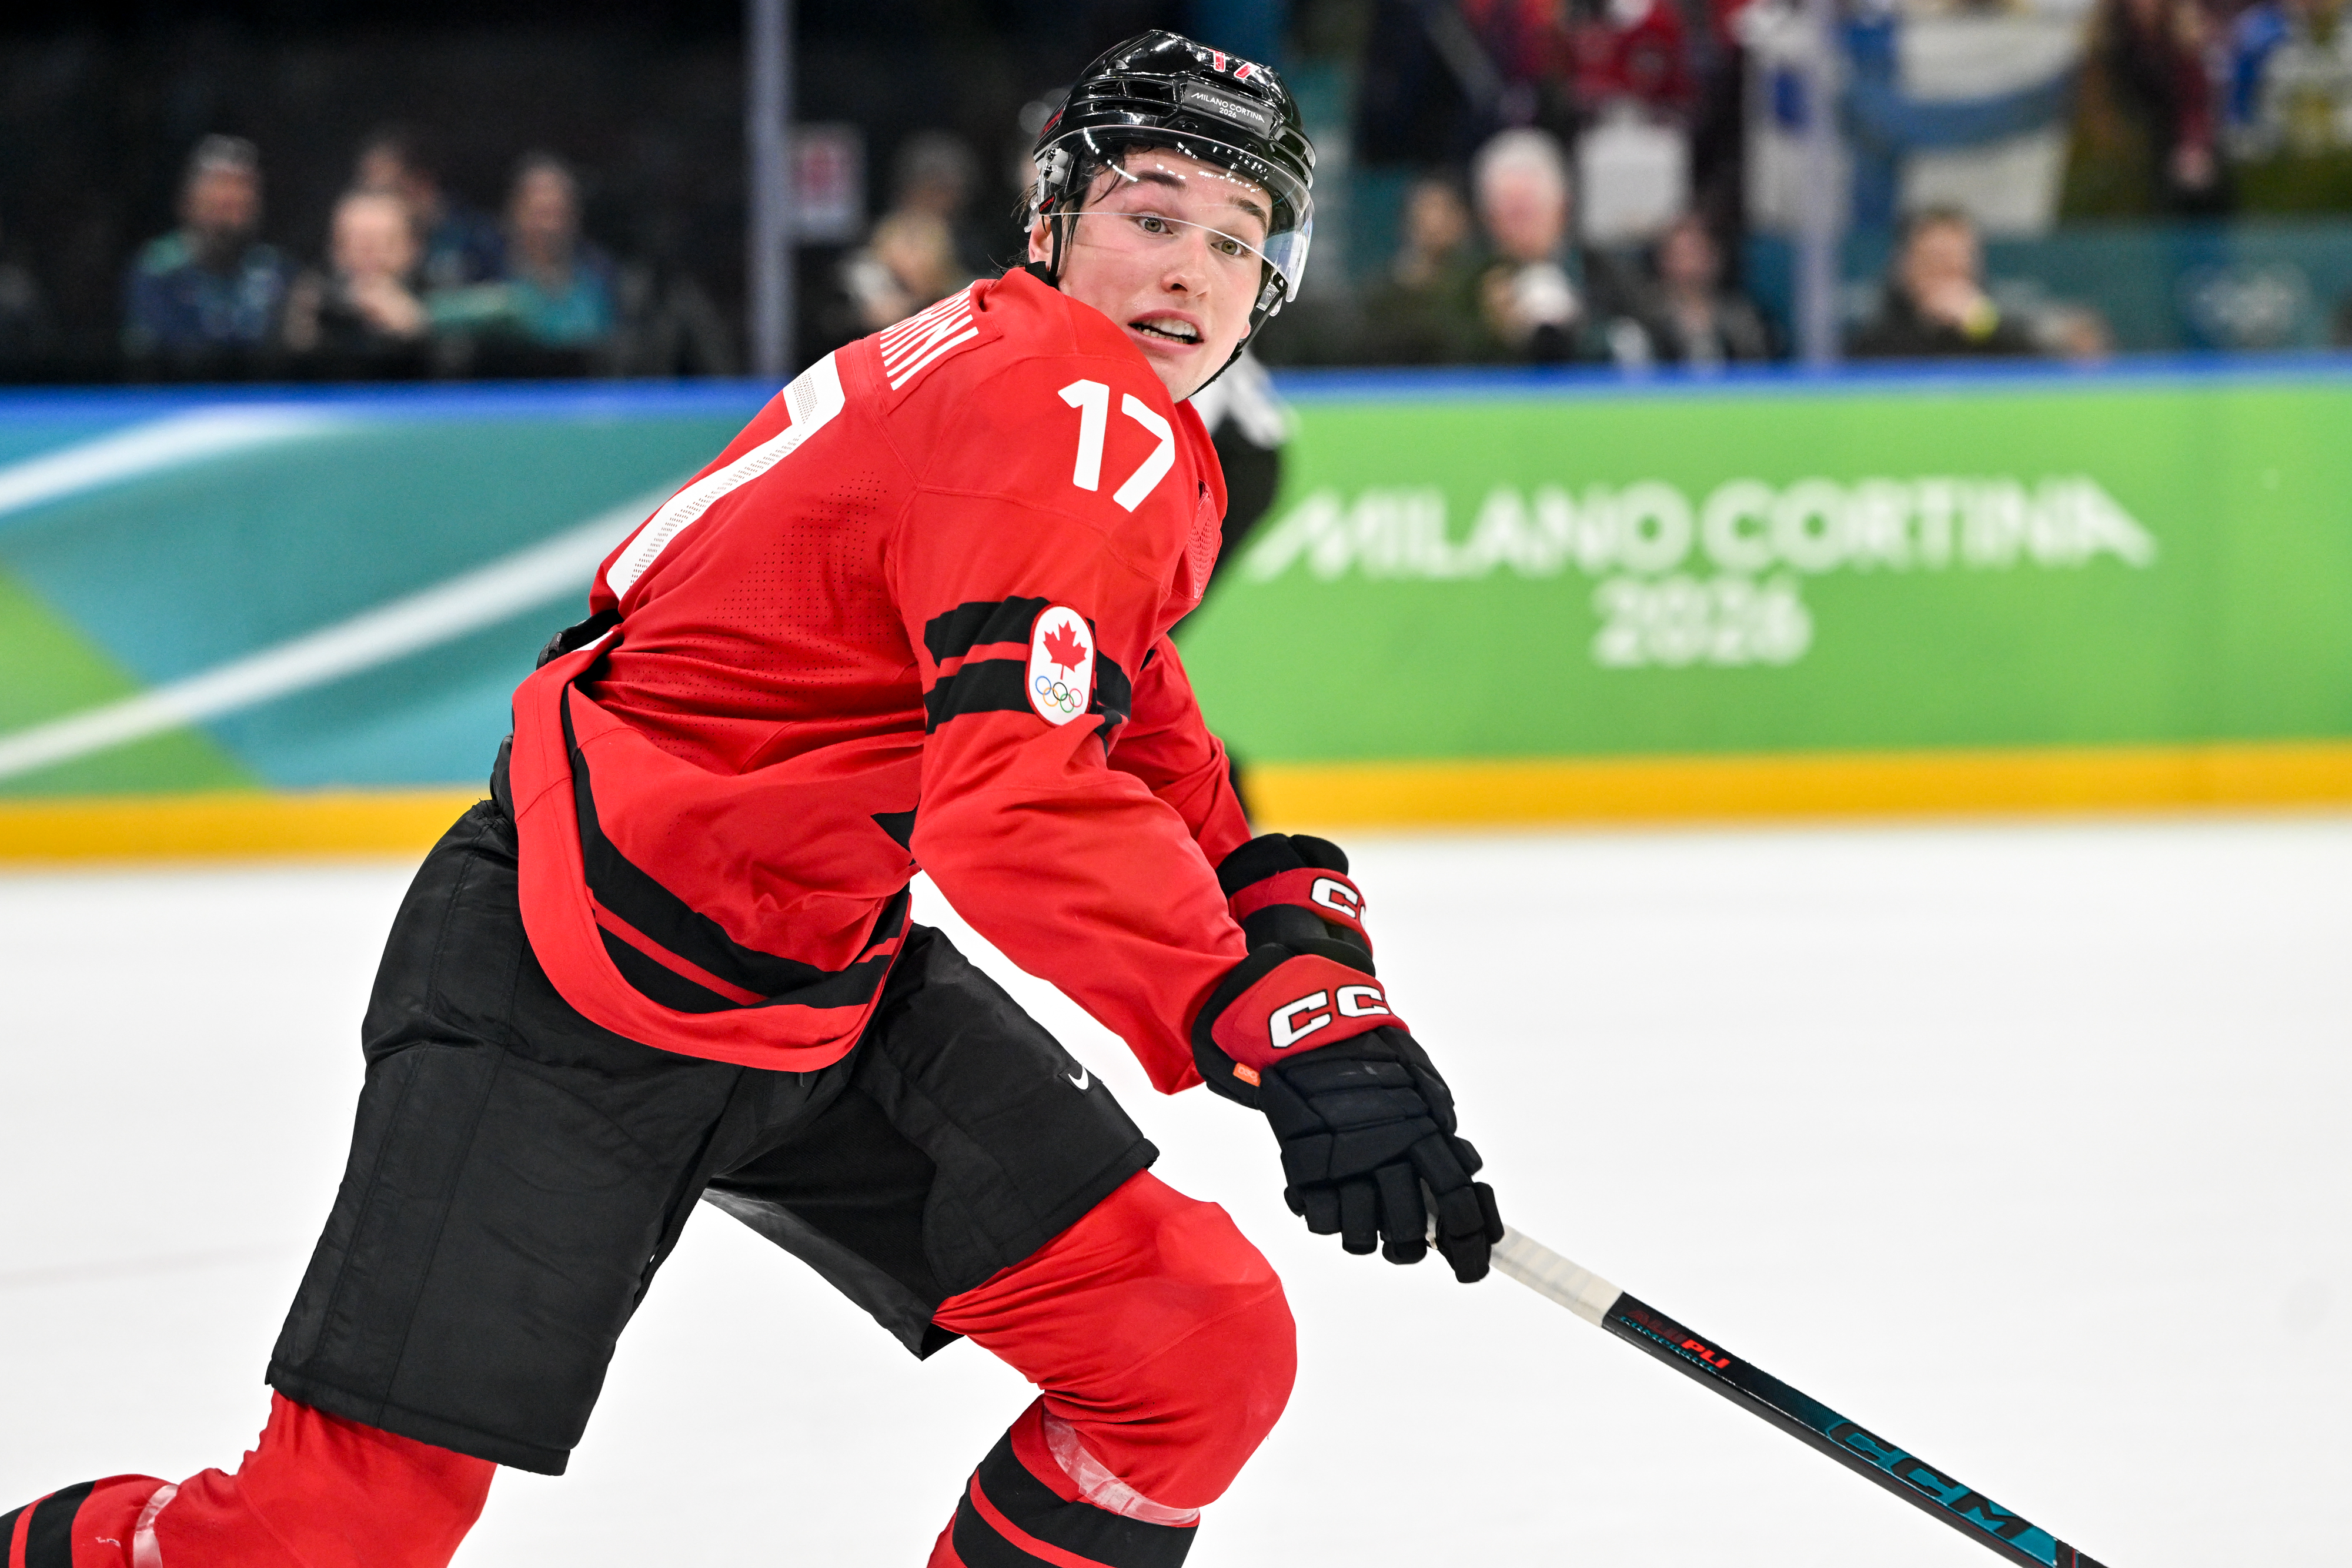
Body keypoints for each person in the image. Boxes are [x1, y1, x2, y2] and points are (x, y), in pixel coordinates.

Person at [1, 31, 1502, 1568]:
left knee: (1193, 1347)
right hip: (572, 967)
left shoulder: (1094, 415)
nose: (1191, 268)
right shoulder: (1066, 410)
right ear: (1053, 225)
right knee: (327, 1536)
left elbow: (1137, 736)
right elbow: (1015, 803)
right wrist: (1256, 1016)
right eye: (1154, 212)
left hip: (810, 976)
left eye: (1236, 241)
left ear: (1276, 286)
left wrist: (1298, 954)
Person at [121, 135, 294, 371]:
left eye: (241, 188)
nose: (230, 197)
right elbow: (147, 355)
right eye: (219, 186)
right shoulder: (160, 269)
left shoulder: (274, 269)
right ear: (190, 200)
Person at [432, 153, 618, 365]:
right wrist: (492, 306)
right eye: (539, 213)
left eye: (557, 213)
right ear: (515, 212)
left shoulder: (598, 269)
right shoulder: (483, 264)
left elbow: (604, 332)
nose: (549, 227)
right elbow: (434, 314)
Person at [1470, 126, 1598, 361]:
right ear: (1488, 219)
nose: (1521, 228)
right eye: (1510, 214)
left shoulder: (1599, 272)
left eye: (1530, 211)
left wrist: (1580, 330)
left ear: (1562, 210)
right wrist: (1492, 334)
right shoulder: (1468, 279)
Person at [1847, 206, 2042, 359]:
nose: (1946, 278)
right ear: (1906, 268)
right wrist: (1929, 324)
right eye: (1934, 262)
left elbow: (2043, 375)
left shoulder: (2004, 337)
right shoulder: (1874, 343)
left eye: (1957, 264)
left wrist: (1983, 325)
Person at [281, 188, 433, 376]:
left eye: (384, 243)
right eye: (356, 243)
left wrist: (416, 331)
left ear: (411, 248)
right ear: (335, 249)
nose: (370, 257)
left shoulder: (437, 295)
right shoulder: (312, 298)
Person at [354, 123, 505, 289]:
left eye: (388, 189)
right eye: (368, 189)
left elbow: (506, 297)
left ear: (421, 181)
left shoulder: (475, 235)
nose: (374, 202)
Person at [1361, 173, 1488, 363]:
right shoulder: (1382, 294)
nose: (1433, 223)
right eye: (1424, 211)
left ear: (1462, 219)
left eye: (1444, 211)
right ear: (1407, 221)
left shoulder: (1480, 286)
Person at [1619, 211, 1772, 367]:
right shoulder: (1644, 315)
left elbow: (1757, 367)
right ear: (1662, 261)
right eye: (1678, 255)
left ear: (1714, 259)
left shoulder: (1740, 315)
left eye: (1695, 254)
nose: (1687, 265)